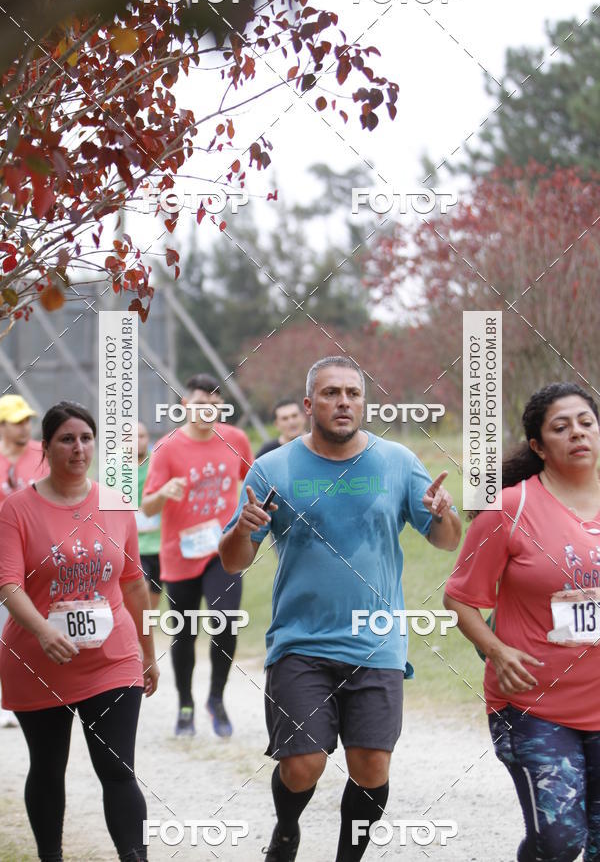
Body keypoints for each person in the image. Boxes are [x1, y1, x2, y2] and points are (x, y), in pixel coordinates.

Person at [219, 355, 461, 862]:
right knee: (302, 765)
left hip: (377, 640)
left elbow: (444, 541)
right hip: (300, 642)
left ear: (364, 402)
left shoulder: (396, 462)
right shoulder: (273, 468)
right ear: (309, 404)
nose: (343, 401)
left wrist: (444, 517)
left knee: (372, 765)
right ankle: (286, 830)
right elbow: (235, 561)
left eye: (353, 392)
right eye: (331, 393)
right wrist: (242, 529)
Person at [444, 382, 600, 862]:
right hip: (534, 704)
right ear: (538, 445)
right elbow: (461, 598)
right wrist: (497, 650)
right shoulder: (509, 510)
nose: (577, 432)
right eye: (561, 426)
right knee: (559, 841)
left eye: (586, 422)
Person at [0, 401, 159, 862]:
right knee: (48, 769)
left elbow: (133, 582)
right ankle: (51, 856)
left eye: (86, 438)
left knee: (117, 768)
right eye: (67, 439)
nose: (78, 448)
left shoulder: (114, 502)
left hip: (112, 658)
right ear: (45, 447)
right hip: (39, 660)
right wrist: (43, 632)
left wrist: (148, 653)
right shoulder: (16, 509)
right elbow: (8, 583)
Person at [142, 373, 253, 738]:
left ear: (221, 408)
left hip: (222, 550)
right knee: (185, 632)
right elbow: (147, 504)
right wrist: (165, 493)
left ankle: (216, 699)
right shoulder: (168, 448)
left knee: (226, 620)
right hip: (180, 553)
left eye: (214, 406)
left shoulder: (235, 439)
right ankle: (186, 702)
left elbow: (254, 479)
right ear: (185, 407)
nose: (207, 411)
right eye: (200, 405)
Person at [0, 394, 49, 728]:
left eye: (26, 420)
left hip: (39, 552)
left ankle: (41, 691)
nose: (23, 428)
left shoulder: (40, 454)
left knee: (36, 622)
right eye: (16, 422)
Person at [135, 421, 162, 611]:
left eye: (141, 436)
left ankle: (143, 635)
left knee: (152, 602)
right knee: (140, 591)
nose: (137, 441)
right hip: (133, 546)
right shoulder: (113, 469)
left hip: (159, 544)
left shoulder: (158, 463)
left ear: (148, 439)